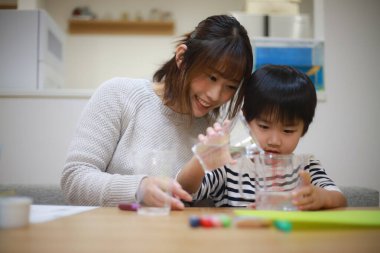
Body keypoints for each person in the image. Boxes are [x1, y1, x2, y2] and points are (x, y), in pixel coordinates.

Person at [61, 15, 254, 208]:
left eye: (230, 86)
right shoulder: (119, 95)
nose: (215, 95)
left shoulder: (211, 133)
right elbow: (74, 179)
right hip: (110, 234)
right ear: (182, 58)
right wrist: (139, 188)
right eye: (211, 77)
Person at [177, 64, 347, 210]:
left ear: (304, 129)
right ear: (246, 120)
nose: (274, 141)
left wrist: (320, 197)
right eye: (264, 126)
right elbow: (186, 190)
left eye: (288, 131)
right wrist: (203, 158)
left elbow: (339, 199)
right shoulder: (231, 164)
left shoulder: (305, 166)